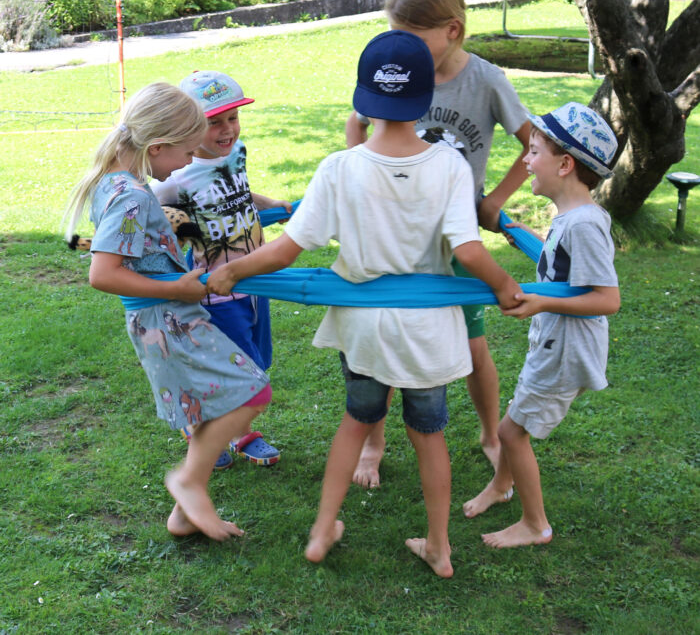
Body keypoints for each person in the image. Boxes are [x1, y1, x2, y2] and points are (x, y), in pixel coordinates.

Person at [207, 30, 522, 576]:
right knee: (429, 435)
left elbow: (286, 250)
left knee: (356, 421)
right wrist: (503, 286)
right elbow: (468, 249)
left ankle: (324, 526)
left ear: (362, 99)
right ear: (425, 98)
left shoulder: (340, 167)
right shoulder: (449, 165)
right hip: (427, 332)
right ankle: (440, 546)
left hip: (364, 331)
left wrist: (231, 269)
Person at [345, 0, 532, 488]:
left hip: (457, 242)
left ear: (452, 29)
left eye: (412, 36)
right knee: (381, 340)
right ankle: (373, 444)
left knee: (473, 347)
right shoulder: (396, 72)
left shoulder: (487, 80)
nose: (400, 46)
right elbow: (358, 124)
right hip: (394, 234)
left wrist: (494, 200)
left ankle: (492, 436)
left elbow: (533, 143)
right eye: (395, 34)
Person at [64, 82, 273, 541]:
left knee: (225, 400)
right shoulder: (132, 196)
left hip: (167, 317)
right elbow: (103, 274)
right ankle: (189, 481)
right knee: (252, 393)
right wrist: (177, 288)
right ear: (156, 146)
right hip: (166, 319)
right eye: (184, 151)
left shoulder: (117, 183)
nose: (187, 161)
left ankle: (183, 512)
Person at [462, 101, 621, 548]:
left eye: (534, 152)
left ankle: (536, 524)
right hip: (554, 343)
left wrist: (537, 302)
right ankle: (500, 485)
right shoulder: (572, 218)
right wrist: (512, 231)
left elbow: (607, 299)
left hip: (566, 350)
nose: (526, 160)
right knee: (516, 419)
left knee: (511, 431)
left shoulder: (584, 225)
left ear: (565, 164)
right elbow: (565, 274)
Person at [151, 71, 292, 468]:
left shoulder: (237, 152)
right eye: (215, 122)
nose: (227, 129)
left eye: (232, 118)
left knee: (257, 361)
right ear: (188, 128)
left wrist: (270, 205)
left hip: (254, 279)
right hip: (215, 290)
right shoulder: (172, 183)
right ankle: (226, 435)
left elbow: (240, 193)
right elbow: (161, 232)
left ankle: (203, 423)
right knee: (242, 372)